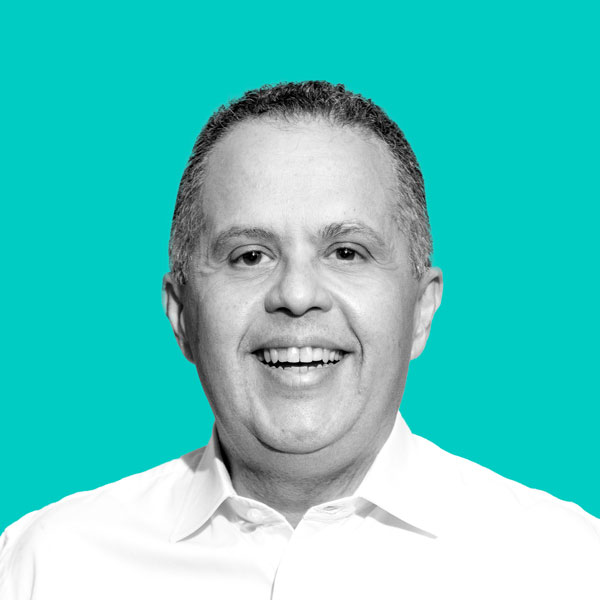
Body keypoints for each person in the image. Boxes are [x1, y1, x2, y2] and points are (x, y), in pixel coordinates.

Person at [1, 81, 598, 599]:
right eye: (249, 255)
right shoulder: (43, 566)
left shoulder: (567, 567)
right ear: (182, 315)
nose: (296, 293)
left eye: (346, 252)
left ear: (421, 310)